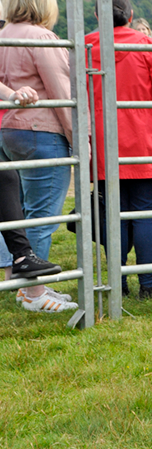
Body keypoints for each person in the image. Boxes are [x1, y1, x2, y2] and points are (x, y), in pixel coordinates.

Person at [87, 0, 152, 299]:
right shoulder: (148, 46)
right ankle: (147, 285)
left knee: (113, 213)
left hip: (104, 142)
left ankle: (119, 282)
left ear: (97, 15)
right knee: (144, 214)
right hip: (146, 142)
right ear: (130, 16)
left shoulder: (86, 47)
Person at [0, 0, 76, 311]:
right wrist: (77, 138)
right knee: (42, 215)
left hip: (8, 129)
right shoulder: (41, 37)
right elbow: (61, 91)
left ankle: (17, 281)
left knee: (14, 211)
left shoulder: (5, 33)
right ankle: (34, 292)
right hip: (41, 129)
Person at [0, 82, 69, 312]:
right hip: (35, 128)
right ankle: (31, 290)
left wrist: (12, 94)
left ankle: (23, 264)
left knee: (6, 179)